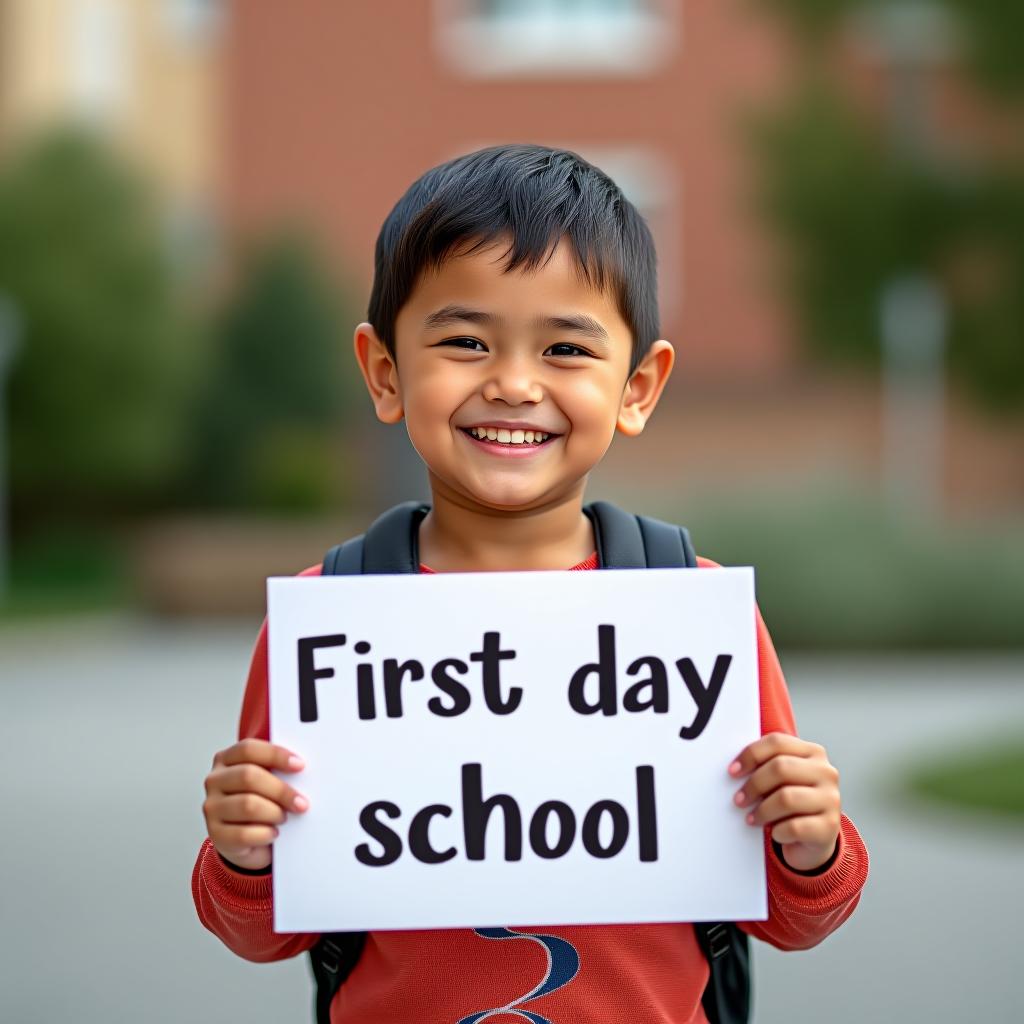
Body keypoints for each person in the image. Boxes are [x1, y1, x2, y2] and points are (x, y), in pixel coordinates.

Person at [192, 144, 869, 1023]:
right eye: (465, 342)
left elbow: (791, 914)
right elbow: (265, 929)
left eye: (564, 348)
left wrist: (813, 847)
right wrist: (242, 857)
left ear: (637, 387)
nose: (513, 384)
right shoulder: (330, 619)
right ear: (385, 372)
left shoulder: (690, 611)